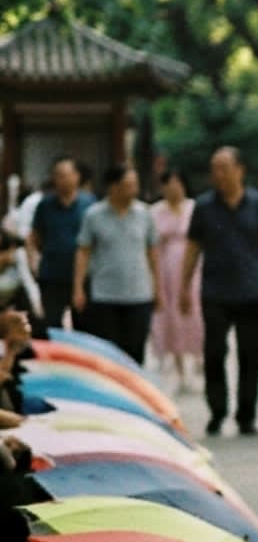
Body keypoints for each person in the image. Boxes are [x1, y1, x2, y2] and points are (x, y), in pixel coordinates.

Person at [182, 147, 258, 437]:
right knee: (213, 353)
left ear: (240, 170)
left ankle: (246, 416)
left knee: (250, 356)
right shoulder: (203, 207)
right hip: (215, 292)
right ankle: (217, 411)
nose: (218, 174)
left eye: (223, 168)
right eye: (214, 168)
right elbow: (192, 248)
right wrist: (184, 287)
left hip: (252, 291)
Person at [70, 164, 158, 366]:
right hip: (105, 295)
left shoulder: (144, 213)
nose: (134, 190)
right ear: (113, 187)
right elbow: (83, 252)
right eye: (128, 185)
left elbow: (152, 252)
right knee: (108, 353)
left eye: (135, 185)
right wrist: (78, 288)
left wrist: (157, 288)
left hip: (139, 294)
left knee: (136, 351)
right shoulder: (93, 215)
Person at [24, 159, 92, 331]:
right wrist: (33, 263)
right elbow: (34, 237)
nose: (62, 180)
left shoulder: (89, 204)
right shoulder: (45, 205)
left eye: (66, 175)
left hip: (84, 277)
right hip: (52, 275)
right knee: (51, 325)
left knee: (84, 326)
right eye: (58, 176)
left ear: (77, 177)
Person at [149, 170, 200, 393]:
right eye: (168, 184)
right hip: (165, 267)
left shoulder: (194, 208)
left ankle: (199, 360)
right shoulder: (155, 212)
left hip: (193, 267)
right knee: (171, 317)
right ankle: (179, 368)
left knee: (196, 315)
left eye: (177, 183)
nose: (173, 188)